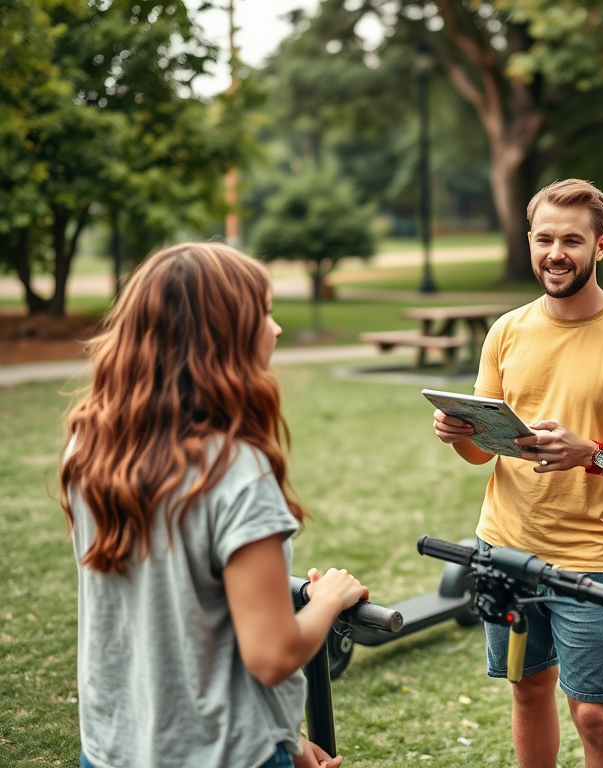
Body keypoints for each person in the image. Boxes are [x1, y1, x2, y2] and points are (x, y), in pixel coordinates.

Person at [61, 242, 369, 768]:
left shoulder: (91, 446)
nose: (275, 329)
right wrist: (330, 599)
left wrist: (284, 739)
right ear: (221, 337)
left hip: (113, 749)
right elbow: (271, 656)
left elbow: (179, 620)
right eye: (263, 313)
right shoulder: (235, 473)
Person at [433, 179, 603, 768]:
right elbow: (483, 453)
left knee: (593, 712)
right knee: (528, 690)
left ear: (599, 246)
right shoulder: (507, 331)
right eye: (544, 238)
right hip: (504, 547)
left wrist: (591, 453)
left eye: (572, 239)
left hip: (587, 558)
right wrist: (457, 434)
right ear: (529, 241)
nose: (555, 252)